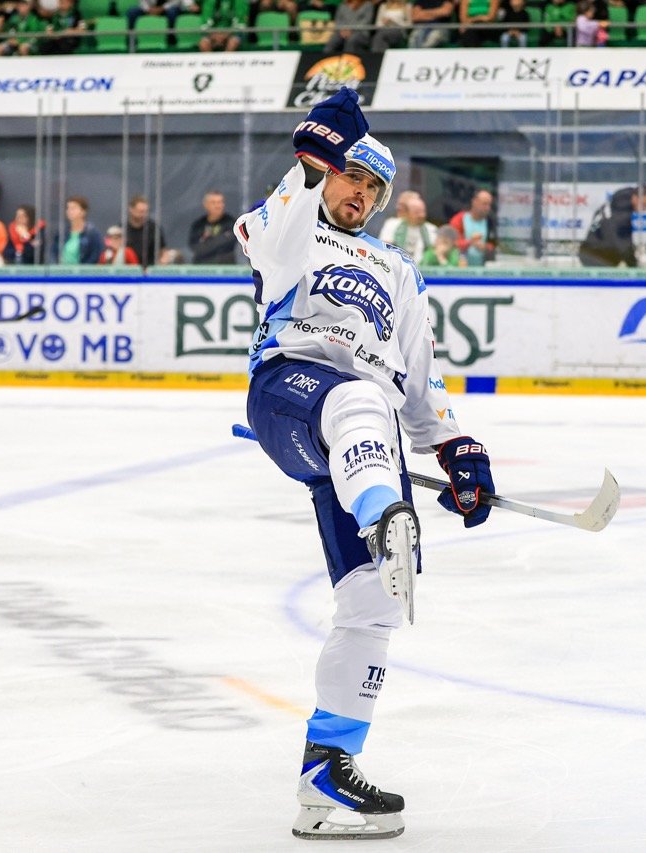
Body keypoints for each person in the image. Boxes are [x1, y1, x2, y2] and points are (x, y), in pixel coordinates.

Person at [234, 88, 493, 841]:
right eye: (353, 176)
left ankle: (326, 775)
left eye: (375, 187)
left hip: (364, 439)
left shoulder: (398, 269)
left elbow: (420, 378)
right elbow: (268, 244)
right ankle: (384, 512)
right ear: (330, 173)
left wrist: (454, 446)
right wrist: (310, 165)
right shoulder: (286, 223)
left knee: (375, 603)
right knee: (356, 398)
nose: (362, 194)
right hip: (291, 393)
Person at [578, 184, 646, 268]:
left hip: (590, 251)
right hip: (597, 255)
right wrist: (635, 268)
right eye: (643, 205)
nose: (645, 209)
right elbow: (624, 245)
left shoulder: (617, 203)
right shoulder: (622, 215)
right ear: (635, 198)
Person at [187, 191, 238, 264]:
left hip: (225, 267)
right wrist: (221, 239)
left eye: (220, 202)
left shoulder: (231, 223)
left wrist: (206, 242)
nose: (217, 206)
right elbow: (195, 247)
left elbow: (229, 243)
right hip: (201, 266)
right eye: (213, 203)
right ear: (206, 205)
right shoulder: (198, 225)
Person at [381, 195, 435, 262]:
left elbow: (434, 252)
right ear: (406, 212)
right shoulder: (392, 224)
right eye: (417, 212)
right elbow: (384, 248)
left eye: (423, 211)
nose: (421, 215)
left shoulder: (431, 229)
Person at [448, 189, 495, 266]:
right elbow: (451, 243)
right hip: (461, 267)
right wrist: (470, 242)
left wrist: (485, 247)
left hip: (482, 268)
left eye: (489, 205)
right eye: (484, 204)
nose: (487, 208)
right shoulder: (459, 219)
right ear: (474, 202)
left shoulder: (490, 223)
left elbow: (494, 246)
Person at [54, 195, 104, 265]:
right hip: (62, 269)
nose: (69, 211)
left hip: (83, 270)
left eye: (73, 208)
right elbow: (54, 251)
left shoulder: (92, 233)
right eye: (68, 208)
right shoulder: (62, 232)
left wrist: (83, 269)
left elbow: (95, 255)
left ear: (83, 212)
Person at [124, 195, 166, 267]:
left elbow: (163, 250)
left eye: (146, 212)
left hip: (150, 269)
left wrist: (163, 260)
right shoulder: (122, 229)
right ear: (131, 210)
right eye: (140, 211)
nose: (144, 214)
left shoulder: (154, 228)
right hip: (128, 270)